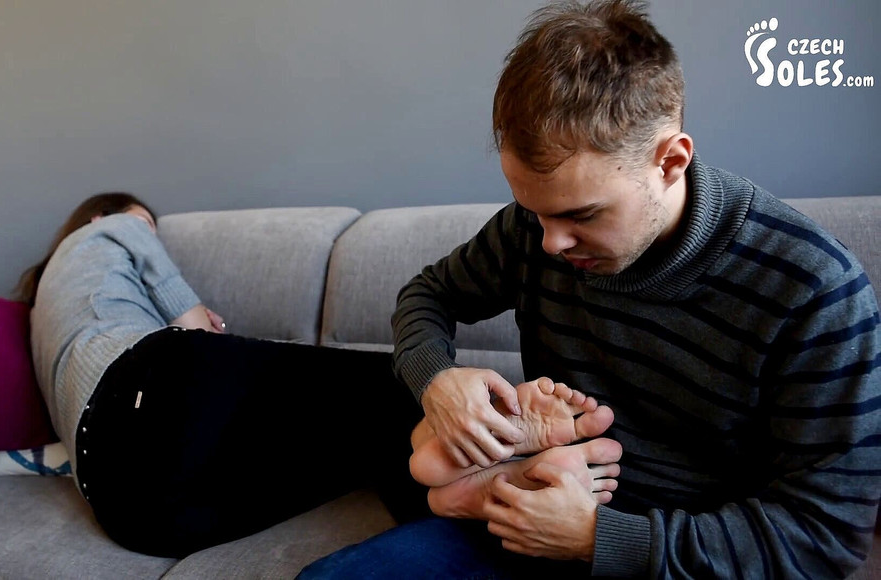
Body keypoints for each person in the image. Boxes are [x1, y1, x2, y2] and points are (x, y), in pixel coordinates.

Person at [299, 0, 881, 577]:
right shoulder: (531, 231)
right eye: (536, 212)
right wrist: (436, 380)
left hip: (678, 558)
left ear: (670, 162)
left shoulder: (815, 290)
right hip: (535, 508)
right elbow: (428, 295)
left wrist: (595, 537)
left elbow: (823, 535)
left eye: (582, 215)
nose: (551, 243)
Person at [21, 192, 429, 558]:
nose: (148, 232)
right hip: (147, 381)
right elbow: (187, 318)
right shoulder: (110, 228)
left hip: (129, 514)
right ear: (99, 216)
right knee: (400, 383)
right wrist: (197, 321)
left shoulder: (40, 312)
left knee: (356, 444)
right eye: (145, 223)